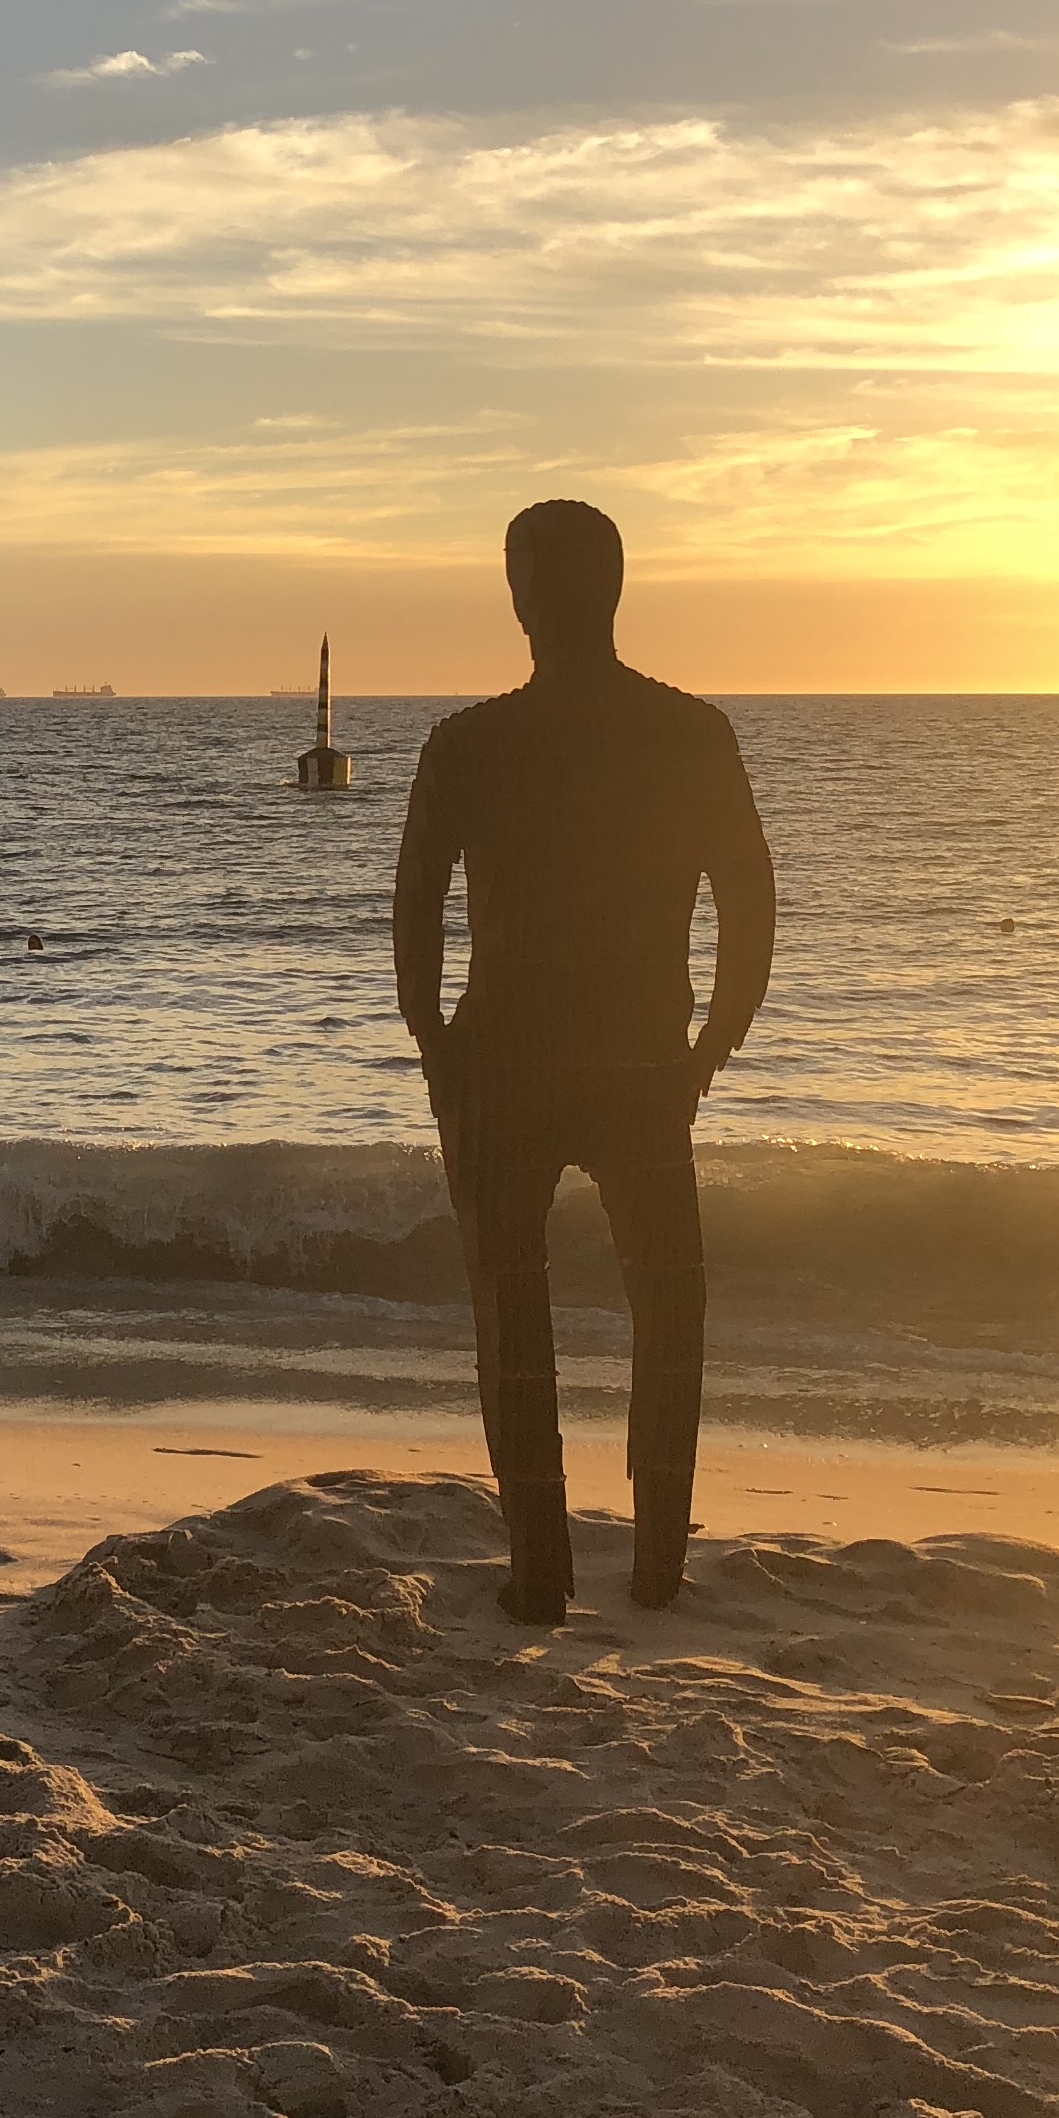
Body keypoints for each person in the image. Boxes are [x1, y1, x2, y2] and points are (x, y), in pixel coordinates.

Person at [391, 498, 773, 1626]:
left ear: (525, 596)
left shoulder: (471, 744)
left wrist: (438, 1050)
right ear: (613, 590)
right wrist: (710, 1047)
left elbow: (412, 919)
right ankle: (655, 1564)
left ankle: (542, 1568)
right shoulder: (690, 735)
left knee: (513, 1308)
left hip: (508, 1067)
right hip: (641, 1064)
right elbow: (751, 908)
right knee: (669, 1308)